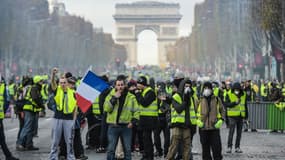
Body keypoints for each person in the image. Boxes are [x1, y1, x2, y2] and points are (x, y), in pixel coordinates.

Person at [104, 75, 139, 160]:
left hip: (126, 126)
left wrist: (133, 122)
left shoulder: (131, 97)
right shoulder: (110, 95)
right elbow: (106, 109)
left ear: (125, 85)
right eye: (118, 85)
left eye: (122, 85)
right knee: (111, 149)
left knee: (127, 149)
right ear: (115, 86)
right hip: (113, 126)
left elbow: (137, 111)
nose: (120, 87)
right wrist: (114, 98)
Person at [49, 68, 77, 160]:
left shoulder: (73, 93)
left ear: (68, 83)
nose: (62, 84)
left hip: (68, 120)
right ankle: (53, 157)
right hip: (58, 118)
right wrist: (53, 75)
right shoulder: (57, 90)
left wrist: (74, 120)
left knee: (69, 141)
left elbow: (75, 109)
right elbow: (53, 83)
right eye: (61, 82)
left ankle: (71, 157)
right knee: (55, 141)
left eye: (64, 82)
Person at [196, 82, 225, 160]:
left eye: (208, 88)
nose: (207, 90)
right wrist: (197, 121)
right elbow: (194, 111)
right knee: (205, 151)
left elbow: (222, 110)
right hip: (203, 128)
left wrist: (221, 120)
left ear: (211, 89)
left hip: (214, 128)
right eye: (205, 88)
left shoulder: (216, 99)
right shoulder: (200, 99)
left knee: (217, 149)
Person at [166, 79, 193, 160]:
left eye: (189, 87)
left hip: (187, 125)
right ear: (182, 87)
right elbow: (178, 109)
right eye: (185, 86)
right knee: (174, 146)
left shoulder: (190, 97)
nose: (187, 88)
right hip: (177, 125)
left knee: (187, 147)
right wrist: (185, 101)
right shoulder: (176, 97)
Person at [16, 75, 45, 151]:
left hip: (33, 110)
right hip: (29, 110)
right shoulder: (34, 88)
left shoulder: (37, 88)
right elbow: (35, 98)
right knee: (27, 127)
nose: (42, 82)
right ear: (37, 81)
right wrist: (42, 106)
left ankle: (29, 145)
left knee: (31, 128)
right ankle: (20, 144)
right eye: (41, 81)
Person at [135, 76, 158, 160]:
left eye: (138, 83)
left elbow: (144, 103)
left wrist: (137, 94)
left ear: (142, 84)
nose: (137, 85)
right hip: (144, 119)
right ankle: (146, 155)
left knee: (147, 139)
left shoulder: (150, 92)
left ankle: (149, 156)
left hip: (150, 119)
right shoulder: (144, 91)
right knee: (144, 139)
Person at [224, 82, 248, 153]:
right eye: (235, 89)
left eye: (238, 89)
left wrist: (246, 116)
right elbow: (226, 104)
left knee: (239, 133)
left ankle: (237, 147)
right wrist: (234, 103)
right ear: (233, 89)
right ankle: (229, 147)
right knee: (231, 132)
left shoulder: (243, 95)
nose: (236, 91)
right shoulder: (229, 94)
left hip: (241, 116)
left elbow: (245, 106)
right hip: (232, 116)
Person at [0, 76, 19, 160]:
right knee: (1, 137)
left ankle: (8, 156)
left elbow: (7, 101)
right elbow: (7, 101)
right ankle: (8, 156)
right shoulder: (4, 87)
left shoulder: (3, 88)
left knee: (2, 137)